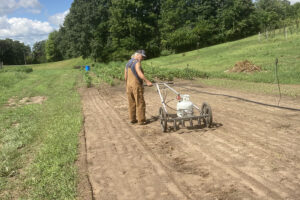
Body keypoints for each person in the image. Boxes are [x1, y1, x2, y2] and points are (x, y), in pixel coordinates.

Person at [124, 50, 152, 125]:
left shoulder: (128, 62)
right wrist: (147, 81)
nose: (142, 58)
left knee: (131, 102)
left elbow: (125, 76)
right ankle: (141, 120)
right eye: (142, 56)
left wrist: (127, 84)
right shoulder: (137, 63)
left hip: (128, 85)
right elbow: (139, 73)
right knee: (140, 102)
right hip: (136, 85)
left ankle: (132, 119)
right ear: (137, 55)